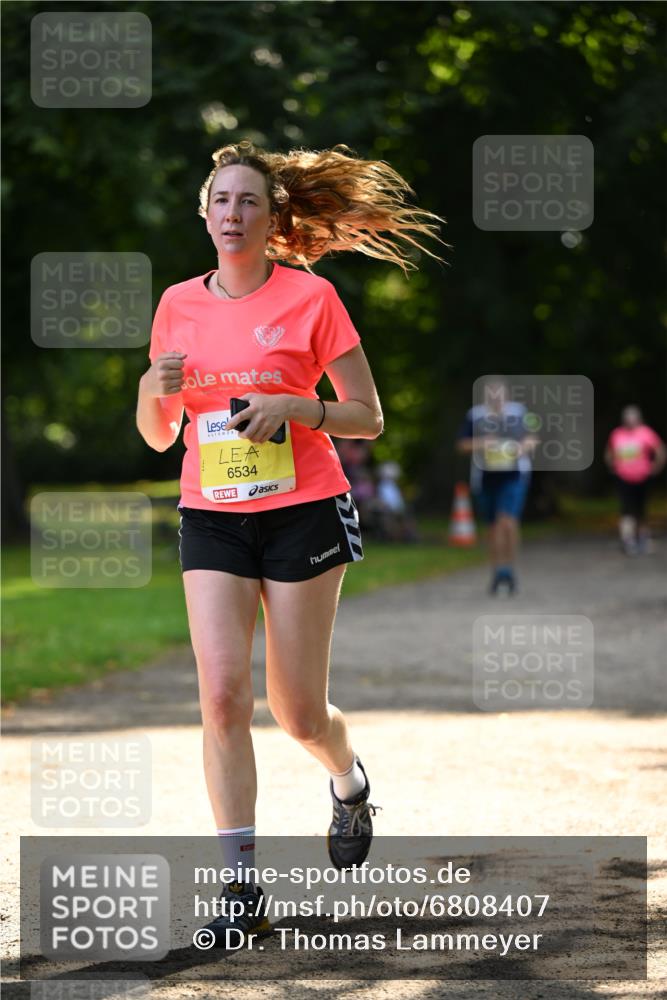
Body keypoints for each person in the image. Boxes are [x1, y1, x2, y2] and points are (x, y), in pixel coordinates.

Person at [136, 140, 445, 944]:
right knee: (221, 695)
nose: (232, 214)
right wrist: (149, 391)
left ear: (273, 217)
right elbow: (159, 437)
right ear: (202, 215)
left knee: (297, 711)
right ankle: (242, 888)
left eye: (247, 201)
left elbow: (367, 415)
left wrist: (294, 407)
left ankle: (345, 780)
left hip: (304, 507)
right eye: (220, 201)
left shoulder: (312, 298)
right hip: (212, 512)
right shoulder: (176, 304)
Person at [456, 377, 537, 595]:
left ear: (506, 395)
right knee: (493, 528)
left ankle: (509, 568)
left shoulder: (518, 413)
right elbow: (462, 444)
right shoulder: (475, 415)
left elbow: (533, 438)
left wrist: (520, 449)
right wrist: (482, 443)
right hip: (485, 476)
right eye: (491, 394)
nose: (496, 399)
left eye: (499, 394)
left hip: (513, 475)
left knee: (507, 522)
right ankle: (497, 571)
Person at [604, 405, 666, 555]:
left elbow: (660, 450)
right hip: (623, 477)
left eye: (633, 418)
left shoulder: (646, 433)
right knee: (626, 509)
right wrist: (612, 466)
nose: (630, 421)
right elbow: (609, 452)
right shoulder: (617, 434)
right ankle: (628, 540)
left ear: (638, 419)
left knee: (641, 509)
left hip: (643, 477)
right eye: (627, 418)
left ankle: (642, 538)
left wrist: (655, 467)